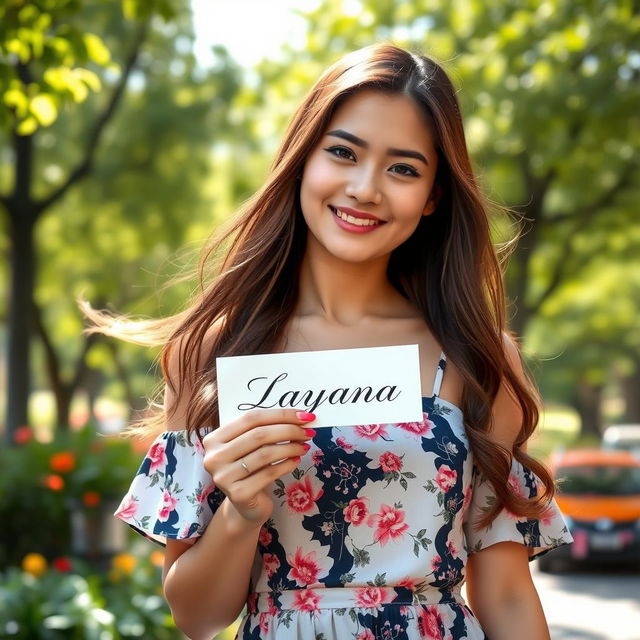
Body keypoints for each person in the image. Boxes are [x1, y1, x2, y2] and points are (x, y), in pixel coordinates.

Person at [86, 43, 572, 640]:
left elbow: (506, 594)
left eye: (403, 168)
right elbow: (196, 618)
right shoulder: (216, 352)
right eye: (343, 152)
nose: (365, 188)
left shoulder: (479, 358)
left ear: (433, 197)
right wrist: (241, 514)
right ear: (302, 161)